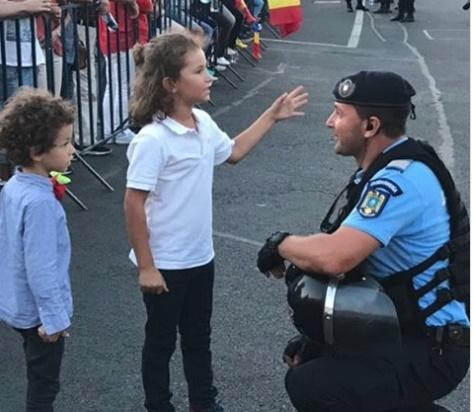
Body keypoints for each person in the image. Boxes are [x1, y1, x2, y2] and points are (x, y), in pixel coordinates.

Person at [256, 71, 469, 412]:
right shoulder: (384, 169)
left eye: (339, 114)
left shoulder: (399, 182)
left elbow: (336, 257)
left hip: (433, 347)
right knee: (311, 359)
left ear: (370, 126)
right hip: (403, 330)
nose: (329, 122)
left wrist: (279, 243)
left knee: (313, 386)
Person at [124, 32, 308, 412]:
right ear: (171, 84)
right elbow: (133, 203)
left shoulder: (203, 123)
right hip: (166, 264)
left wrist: (271, 115)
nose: (209, 75)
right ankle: (158, 405)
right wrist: (146, 266)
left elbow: (234, 151)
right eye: (199, 69)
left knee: (198, 337)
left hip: (199, 258)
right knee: (160, 342)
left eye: (207, 66)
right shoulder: (153, 140)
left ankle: (203, 403)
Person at [0, 88, 76, 411]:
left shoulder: (15, 184)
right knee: (44, 387)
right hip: (39, 317)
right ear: (36, 151)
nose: (73, 150)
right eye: (65, 144)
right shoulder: (41, 203)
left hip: (17, 304)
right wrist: (54, 320)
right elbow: (41, 268)